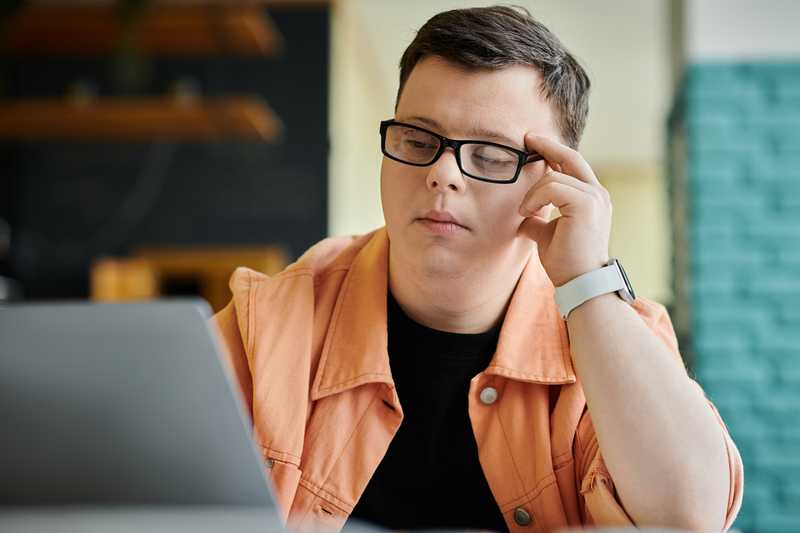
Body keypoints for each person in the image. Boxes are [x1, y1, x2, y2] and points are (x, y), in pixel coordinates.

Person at [213, 6, 743, 532]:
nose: (442, 174)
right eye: (418, 141)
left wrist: (587, 285)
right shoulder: (270, 321)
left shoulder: (615, 334)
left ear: (555, 182)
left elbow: (687, 519)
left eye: (490, 154)